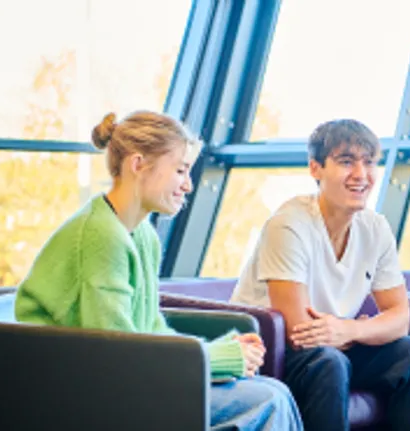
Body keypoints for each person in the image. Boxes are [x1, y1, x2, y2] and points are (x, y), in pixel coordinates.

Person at [15, 111, 303, 431]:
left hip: (118, 380)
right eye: (180, 171)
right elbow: (117, 355)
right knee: (267, 401)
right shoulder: (101, 237)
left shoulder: (142, 235)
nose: (189, 185)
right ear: (138, 164)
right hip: (76, 390)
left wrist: (221, 356)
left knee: (275, 391)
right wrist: (220, 359)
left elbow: (149, 331)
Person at [231, 119, 410, 431]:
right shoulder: (289, 224)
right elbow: (298, 331)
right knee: (328, 361)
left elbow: (400, 318)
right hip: (273, 352)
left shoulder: (375, 227)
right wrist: (360, 329)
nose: (361, 174)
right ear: (315, 168)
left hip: (333, 344)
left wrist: (349, 331)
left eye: (369, 162)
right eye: (346, 162)